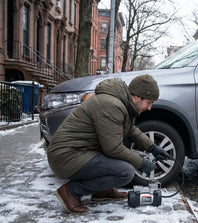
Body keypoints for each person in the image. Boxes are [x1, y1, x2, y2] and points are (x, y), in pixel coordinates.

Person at [46, 74, 170, 214]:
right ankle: (71, 192)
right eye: (149, 102)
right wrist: (141, 163)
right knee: (125, 172)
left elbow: (130, 130)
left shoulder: (120, 103)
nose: (149, 108)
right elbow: (113, 148)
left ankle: (101, 191)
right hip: (66, 157)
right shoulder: (111, 105)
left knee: (120, 163)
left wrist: (152, 147)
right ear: (136, 97)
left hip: (79, 152)